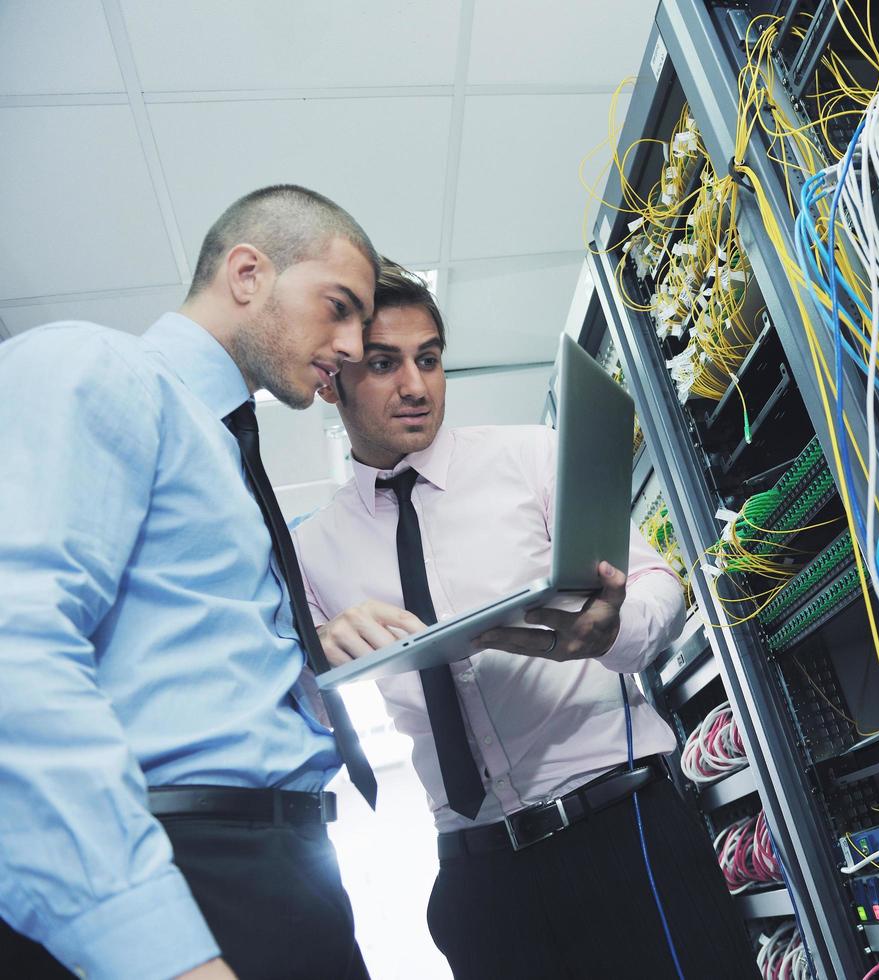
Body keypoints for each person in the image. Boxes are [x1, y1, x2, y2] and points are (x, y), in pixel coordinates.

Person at [293, 262, 758, 978]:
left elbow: (655, 585)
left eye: (429, 359)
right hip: (479, 877)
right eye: (383, 364)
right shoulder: (311, 550)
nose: (415, 386)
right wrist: (315, 655)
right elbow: (292, 711)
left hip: (619, 828)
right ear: (331, 380)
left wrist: (611, 630)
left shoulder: (531, 458)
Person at [0, 185, 383, 980]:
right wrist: (149, 944)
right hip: (188, 870)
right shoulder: (97, 367)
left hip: (279, 870)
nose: (350, 345)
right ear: (248, 272)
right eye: (338, 306)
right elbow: (15, 648)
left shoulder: (221, 451)